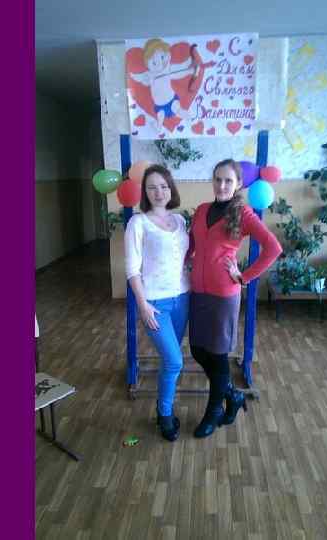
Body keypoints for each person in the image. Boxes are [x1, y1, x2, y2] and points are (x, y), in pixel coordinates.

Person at [187, 159, 282, 438]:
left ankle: (213, 413)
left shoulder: (243, 213)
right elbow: (192, 242)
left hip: (223, 294)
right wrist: (185, 260)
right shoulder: (202, 210)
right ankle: (234, 395)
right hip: (198, 291)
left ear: (238, 183)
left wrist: (244, 276)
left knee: (218, 356)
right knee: (197, 350)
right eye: (218, 179)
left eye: (228, 180)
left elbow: (273, 247)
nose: (222, 185)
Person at [124, 164, 190, 442]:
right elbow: (132, 270)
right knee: (174, 361)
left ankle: (164, 406)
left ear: (171, 188)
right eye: (152, 187)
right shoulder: (138, 223)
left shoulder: (180, 221)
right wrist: (142, 304)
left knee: (169, 358)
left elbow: (184, 258)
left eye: (163, 186)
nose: (159, 192)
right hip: (154, 304)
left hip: (183, 298)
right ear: (145, 192)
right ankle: (164, 413)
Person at [129, 38, 194, 136]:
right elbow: (141, 78)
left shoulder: (168, 69)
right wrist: (135, 76)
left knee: (178, 110)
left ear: (167, 54)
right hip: (160, 107)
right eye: (154, 63)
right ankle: (158, 127)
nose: (160, 64)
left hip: (171, 100)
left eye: (162, 57)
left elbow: (179, 71)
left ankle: (190, 117)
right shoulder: (151, 75)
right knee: (160, 118)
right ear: (148, 65)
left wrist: (188, 70)